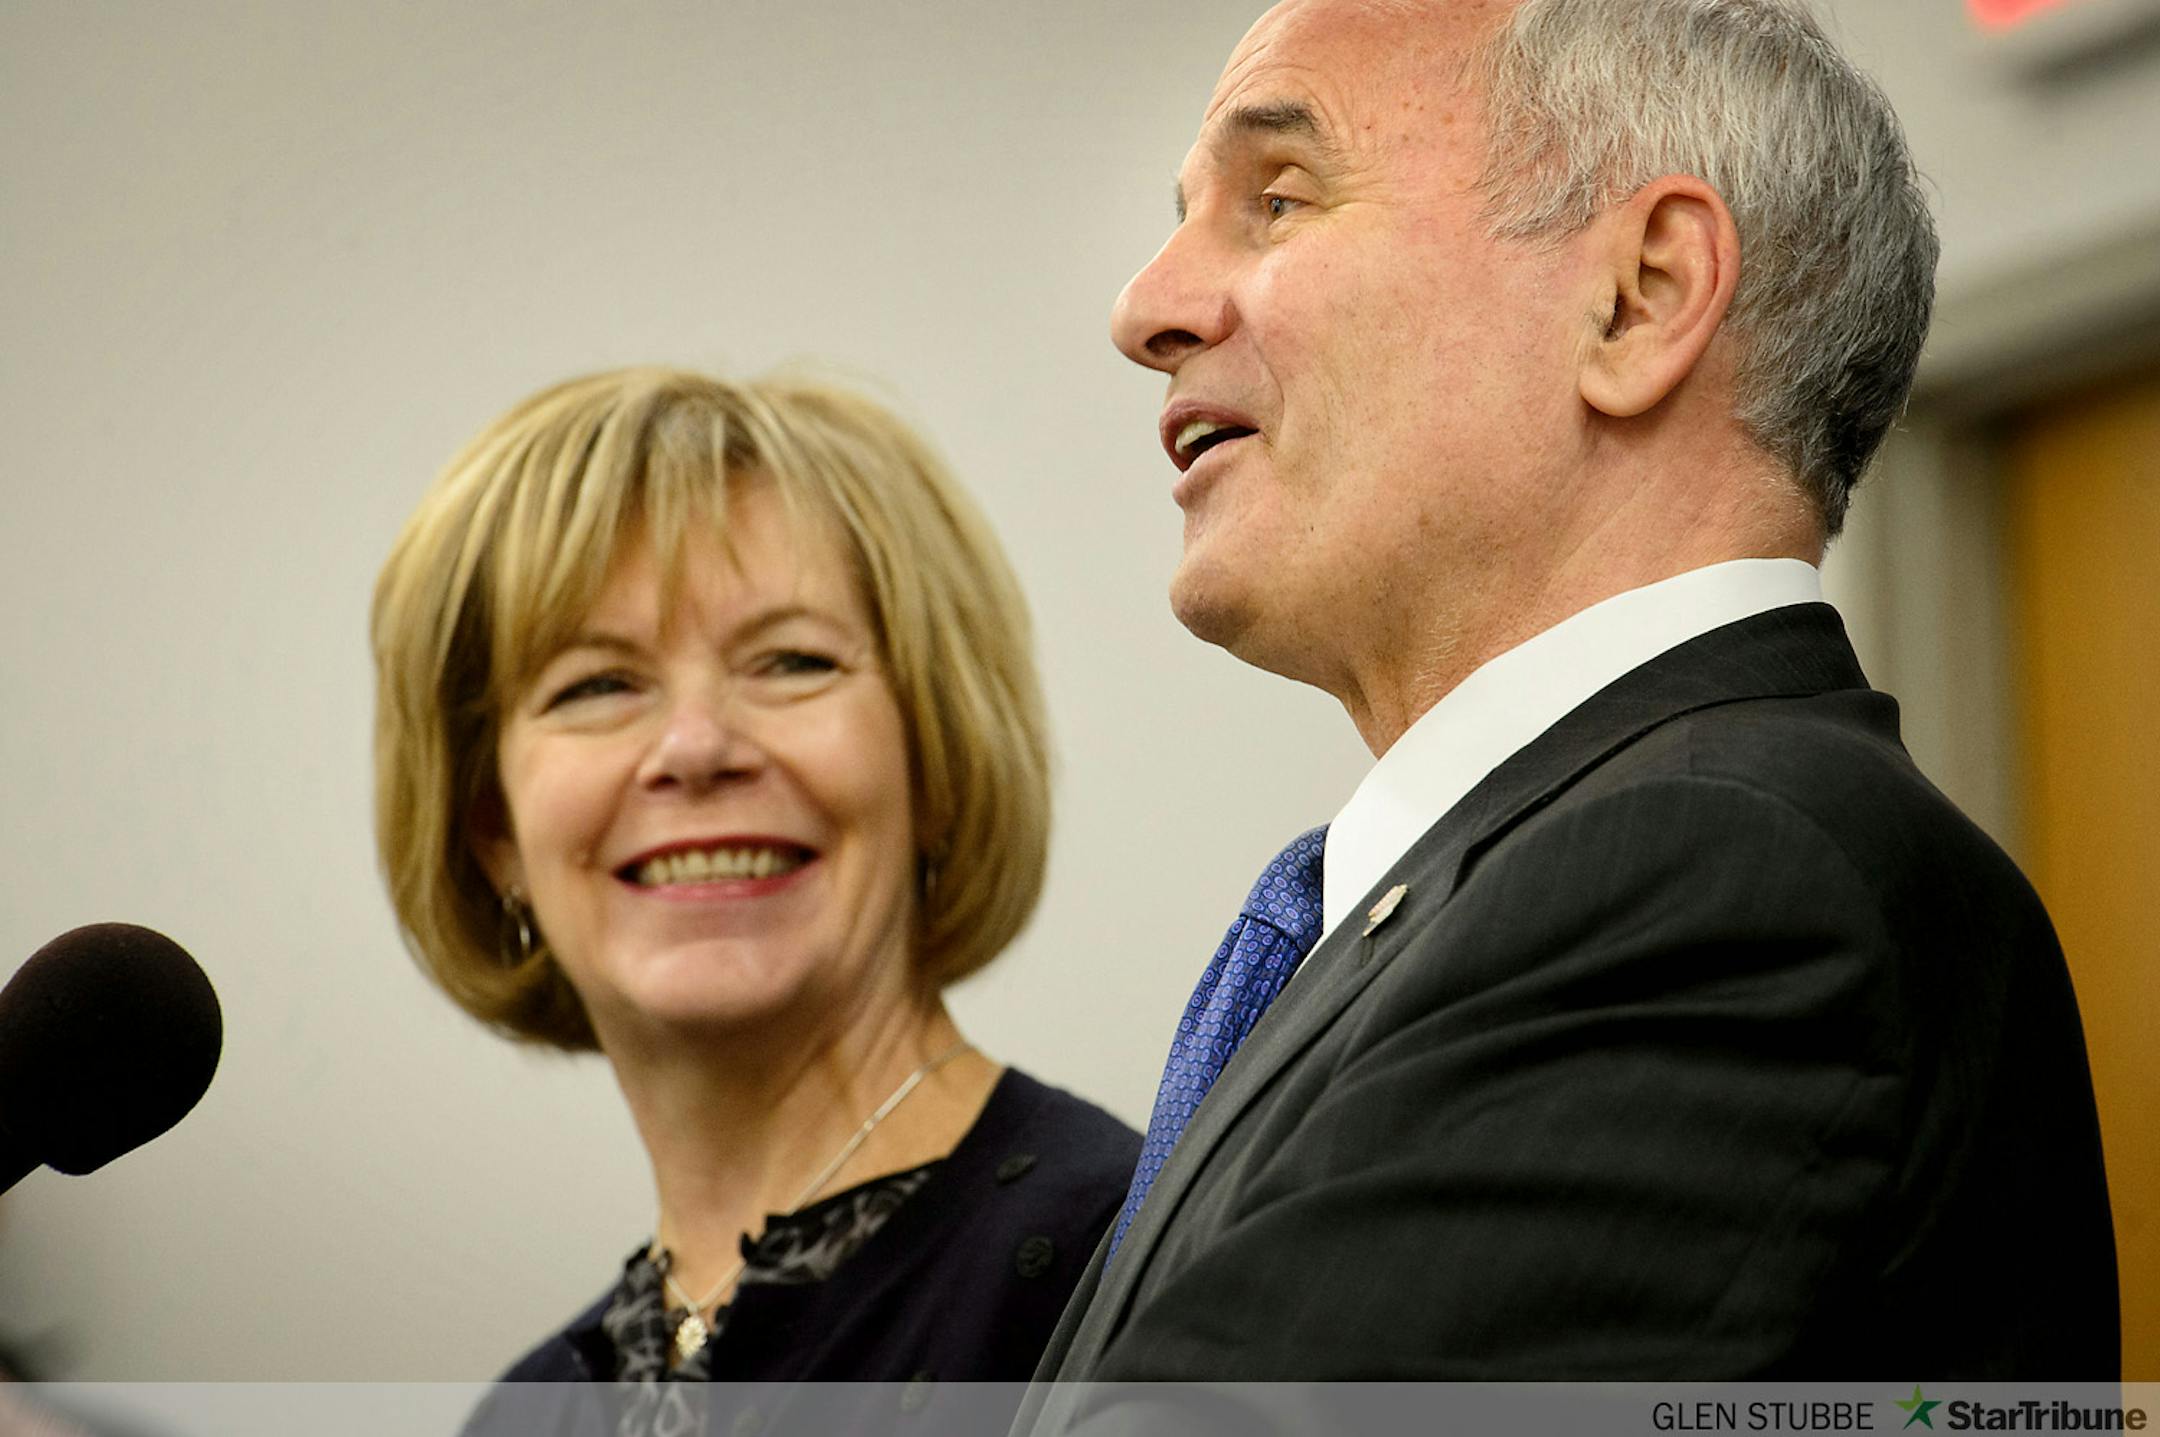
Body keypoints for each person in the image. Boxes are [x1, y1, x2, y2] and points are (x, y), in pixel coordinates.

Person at [1032, 0, 2119, 1396]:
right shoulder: (1517, 878)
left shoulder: (1727, 877)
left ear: (1642, 295)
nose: (1148, 308)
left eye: (1279, 198)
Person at [370, 368, 1139, 1423]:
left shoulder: (1124, 1271)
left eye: (790, 662)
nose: (695, 749)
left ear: (938, 763)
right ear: (492, 830)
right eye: (596, 684)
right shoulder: (523, 1415)